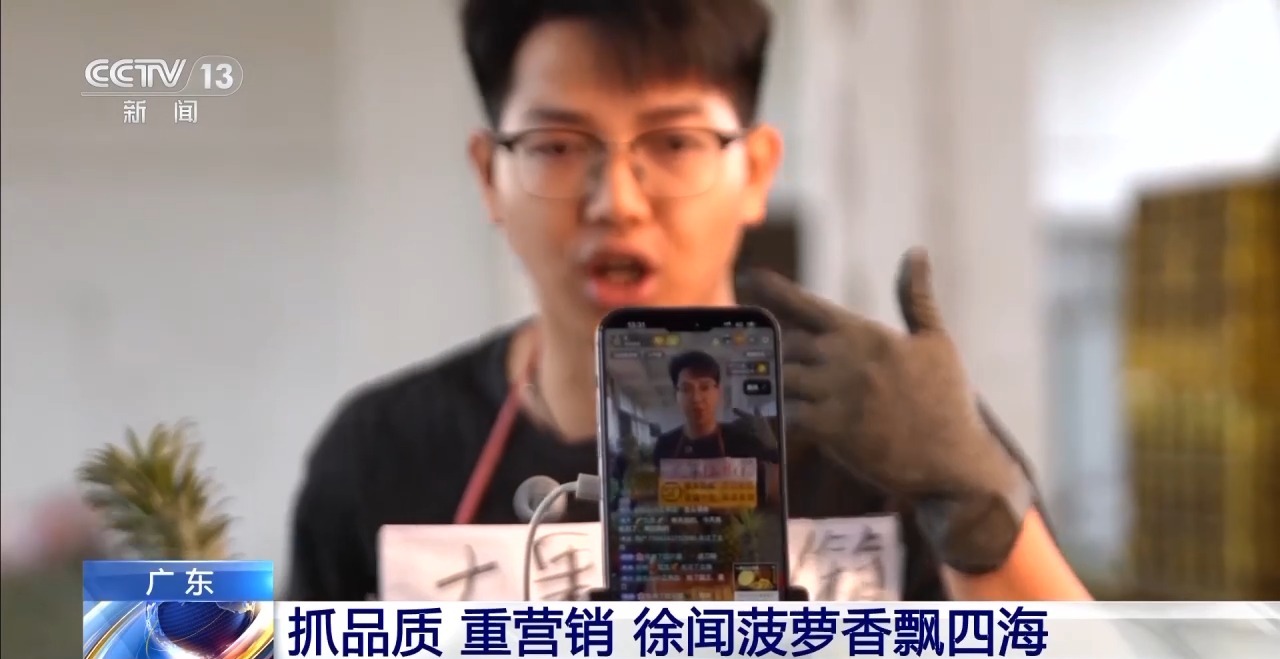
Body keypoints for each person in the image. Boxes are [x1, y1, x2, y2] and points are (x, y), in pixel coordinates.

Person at [287, 0, 1091, 602]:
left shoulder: (889, 435)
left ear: (757, 171)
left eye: (674, 142)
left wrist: (976, 507)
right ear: (488, 176)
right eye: (558, 146)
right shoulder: (380, 454)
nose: (617, 200)